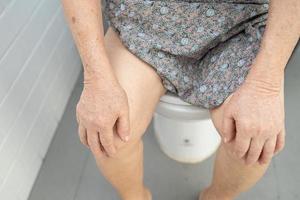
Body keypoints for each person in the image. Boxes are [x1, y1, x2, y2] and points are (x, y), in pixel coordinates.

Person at [61, 0, 299, 199]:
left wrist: (264, 86)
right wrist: (96, 80)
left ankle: (216, 198)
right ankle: (135, 197)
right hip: (141, 24)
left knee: (251, 141)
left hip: (238, 25)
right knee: (110, 133)